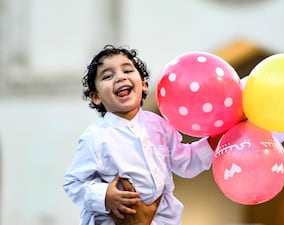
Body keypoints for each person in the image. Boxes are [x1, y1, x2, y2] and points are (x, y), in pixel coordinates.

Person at [63, 45, 221, 225]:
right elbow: (73, 183)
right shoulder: (95, 136)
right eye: (108, 76)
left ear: (144, 84)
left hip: (163, 219)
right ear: (96, 97)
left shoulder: (159, 125)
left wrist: (214, 142)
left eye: (127, 70)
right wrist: (105, 196)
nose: (120, 77)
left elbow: (185, 161)